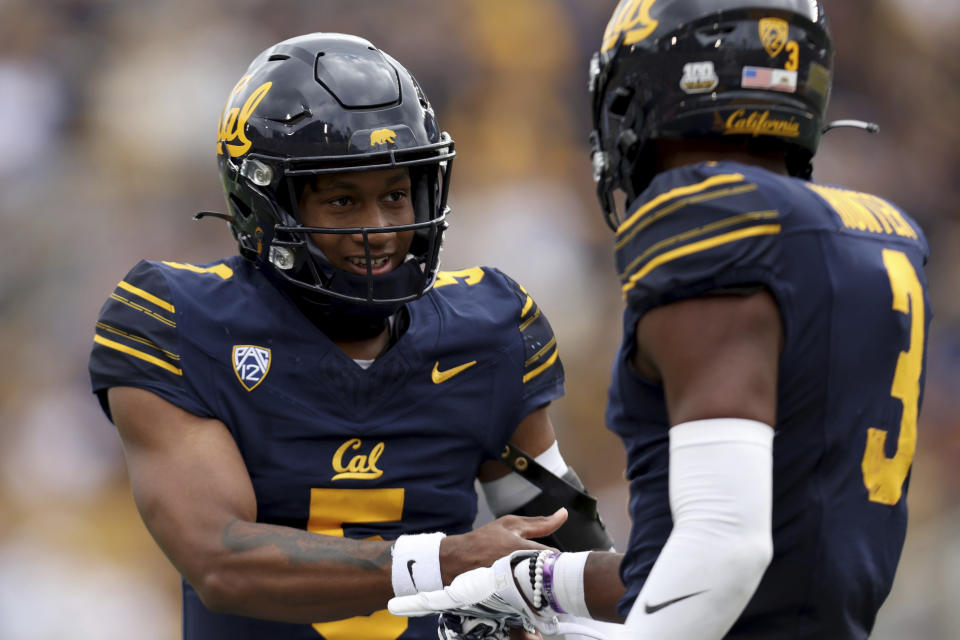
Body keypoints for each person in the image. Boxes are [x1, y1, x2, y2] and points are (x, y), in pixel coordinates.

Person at [388, 1, 932, 638]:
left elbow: (725, 549)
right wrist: (529, 585)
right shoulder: (880, 232)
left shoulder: (707, 216)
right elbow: (712, 567)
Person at [87, 32, 615, 640]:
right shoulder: (180, 323)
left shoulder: (487, 330)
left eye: (395, 194)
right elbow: (221, 561)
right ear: (266, 202)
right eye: (343, 201)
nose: (380, 229)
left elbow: (563, 547)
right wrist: (444, 562)